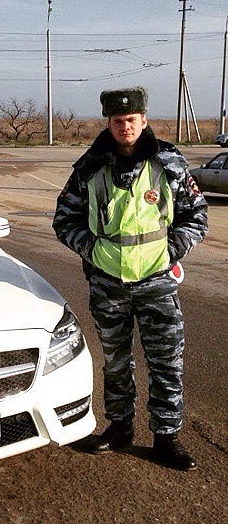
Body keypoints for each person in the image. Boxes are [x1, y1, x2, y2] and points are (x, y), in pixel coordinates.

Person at [52, 87, 208, 471]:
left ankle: (166, 437)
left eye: (132, 120)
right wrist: (94, 251)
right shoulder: (89, 167)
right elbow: (63, 220)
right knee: (116, 362)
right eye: (118, 121)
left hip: (157, 281)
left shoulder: (169, 163)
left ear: (144, 120)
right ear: (108, 122)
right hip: (108, 284)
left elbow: (197, 216)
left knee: (166, 362)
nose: (125, 127)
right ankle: (120, 428)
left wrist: (170, 251)